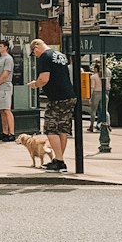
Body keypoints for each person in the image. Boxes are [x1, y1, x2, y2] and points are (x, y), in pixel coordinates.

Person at [27, 38, 75, 172]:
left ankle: (59, 162)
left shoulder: (45, 57)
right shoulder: (59, 55)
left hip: (57, 98)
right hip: (69, 95)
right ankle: (58, 160)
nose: (35, 56)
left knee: (50, 128)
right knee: (62, 130)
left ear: (36, 47)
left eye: (33, 53)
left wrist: (35, 84)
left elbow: (44, 78)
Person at [0, 38, 16, 142]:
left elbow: (6, 74)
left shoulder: (8, 59)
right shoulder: (0, 59)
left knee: (7, 109)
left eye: (1, 46)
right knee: (1, 110)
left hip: (5, 86)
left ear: (6, 47)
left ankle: (12, 133)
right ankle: (4, 132)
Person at [88, 60, 103, 132]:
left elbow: (92, 87)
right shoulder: (102, 76)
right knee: (103, 110)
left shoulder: (93, 77)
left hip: (95, 93)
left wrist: (91, 96)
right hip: (102, 93)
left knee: (93, 111)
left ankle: (91, 125)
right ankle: (105, 124)